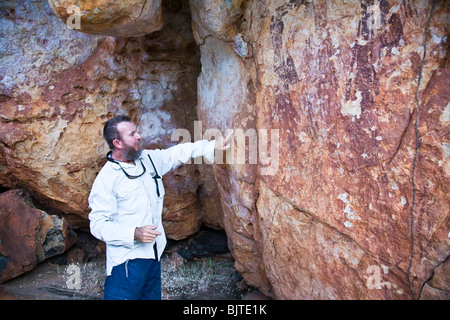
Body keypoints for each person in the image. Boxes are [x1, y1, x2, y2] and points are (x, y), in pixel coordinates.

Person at [88, 115, 232, 300]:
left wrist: (211, 146)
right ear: (118, 142)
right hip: (126, 263)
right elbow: (98, 225)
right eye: (132, 134)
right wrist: (133, 233)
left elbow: (176, 153)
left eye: (137, 131)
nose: (139, 136)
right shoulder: (107, 179)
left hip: (153, 255)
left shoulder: (147, 160)